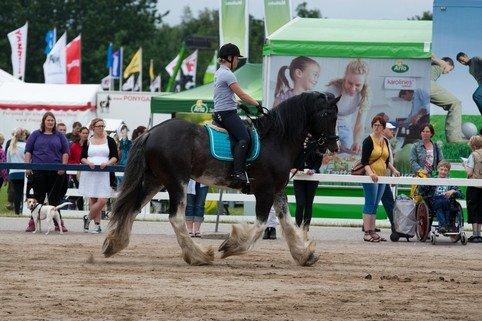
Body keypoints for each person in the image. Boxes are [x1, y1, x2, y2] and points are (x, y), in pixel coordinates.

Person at [213, 43, 262, 185]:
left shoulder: (219, 72)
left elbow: (226, 95)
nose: (237, 61)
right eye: (236, 58)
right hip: (227, 114)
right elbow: (241, 93)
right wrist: (257, 104)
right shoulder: (228, 74)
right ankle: (238, 172)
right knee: (244, 138)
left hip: (222, 112)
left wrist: (238, 104)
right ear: (229, 58)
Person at [24, 112, 70, 232]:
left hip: (55, 171)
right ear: (44, 121)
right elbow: (28, 151)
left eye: (52, 120)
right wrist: (27, 166)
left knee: (54, 198)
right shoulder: (35, 134)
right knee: (38, 197)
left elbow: (66, 152)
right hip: (38, 170)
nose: (50, 122)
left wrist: (63, 167)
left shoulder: (60, 136)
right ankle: (32, 223)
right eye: (48, 120)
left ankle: (58, 222)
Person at [361, 116, 400, 242]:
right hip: (370, 177)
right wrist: (371, 173)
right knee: (369, 203)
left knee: (375, 205)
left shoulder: (385, 141)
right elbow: (364, 161)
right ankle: (367, 232)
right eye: (375, 125)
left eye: (380, 125)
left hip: (382, 177)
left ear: (383, 128)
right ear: (372, 126)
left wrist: (394, 170)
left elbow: (386, 160)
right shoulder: (368, 140)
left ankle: (372, 231)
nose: (377, 127)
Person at [79, 118, 118, 234]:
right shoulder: (88, 141)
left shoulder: (110, 140)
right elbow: (82, 157)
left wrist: (108, 163)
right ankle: (97, 225)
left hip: (105, 173)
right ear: (93, 128)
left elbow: (115, 156)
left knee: (102, 199)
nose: (101, 128)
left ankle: (88, 217)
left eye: (102, 126)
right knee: (93, 198)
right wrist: (88, 162)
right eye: (98, 126)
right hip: (91, 172)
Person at [326, 59, 370, 154]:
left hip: (346, 128)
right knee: (329, 155)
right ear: (345, 77)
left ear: (364, 83)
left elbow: (360, 124)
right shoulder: (333, 90)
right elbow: (326, 118)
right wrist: (334, 140)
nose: (353, 89)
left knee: (347, 156)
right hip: (329, 126)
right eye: (350, 83)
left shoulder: (364, 96)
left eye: (358, 85)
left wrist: (357, 141)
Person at [418, 161, 463, 234]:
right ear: (438, 169)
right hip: (434, 201)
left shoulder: (450, 182)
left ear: (448, 171)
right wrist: (425, 182)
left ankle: (443, 226)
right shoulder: (433, 180)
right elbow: (421, 191)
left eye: (445, 170)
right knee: (440, 202)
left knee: (445, 202)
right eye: (441, 169)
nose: (443, 172)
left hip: (447, 201)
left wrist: (453, 191)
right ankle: (445, 225)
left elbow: (460, 194)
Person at [430, 55, 466, 142]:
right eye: (450, 69)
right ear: (448, 63)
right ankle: (454, 139)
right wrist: (441, 62)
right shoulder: (441, 63)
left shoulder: (432, 65)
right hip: (427, 84)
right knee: (455, 103)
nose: (448, 72)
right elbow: (430, 54)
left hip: (417, 85)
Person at [380, 122, 401, 234]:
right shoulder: (382, 141)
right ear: (384, 130)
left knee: (373, 202)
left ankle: (368, 226)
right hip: (381, 177)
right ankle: (395, 226)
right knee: (389, 202)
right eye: (391, 129)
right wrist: (393, 172)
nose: (393, 131)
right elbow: (385, 160)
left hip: (383, 177)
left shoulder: (386, 141)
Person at [463, 135, 482, 243]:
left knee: (473, 208)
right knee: (480, 209)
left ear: (473, 145)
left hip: (474, 186)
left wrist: (464, 165)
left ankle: (475, 235)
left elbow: (469, 172)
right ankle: (480, 234)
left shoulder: (473, 155)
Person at [6, 128, 27, 215]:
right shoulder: (26, 146)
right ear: (23, 135)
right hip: (24, 172)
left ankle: (17, 211)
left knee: (17, 192)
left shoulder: (11, 147)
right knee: (25, 192)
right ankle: (24, 210)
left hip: (13, 173)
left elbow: (8, 161)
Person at [68, 126, 89, 210]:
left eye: (87, 133)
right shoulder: (74, 146)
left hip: (88, 170)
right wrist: (76, 164)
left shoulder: (90, 145)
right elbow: (70, 159)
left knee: (87, 190)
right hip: (76, 172)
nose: (85, 135)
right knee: (78, 189)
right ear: (80, 134)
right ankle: (80, 209)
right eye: (83, 133)